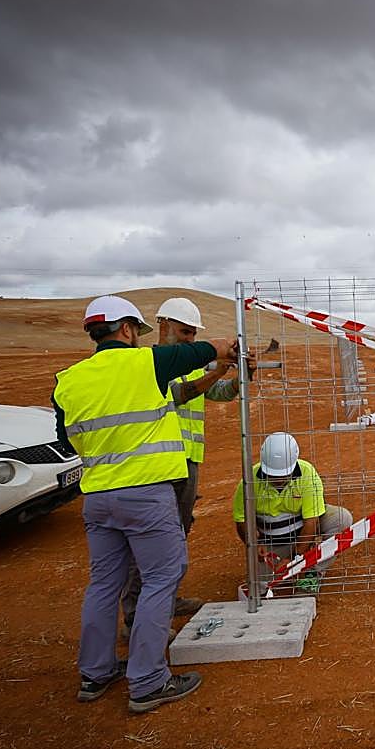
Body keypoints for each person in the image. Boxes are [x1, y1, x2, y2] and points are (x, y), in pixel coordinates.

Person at [53, 295, 237, 714]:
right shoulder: (146, 363)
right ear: (126, 329)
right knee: (160, 579)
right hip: (146, 493)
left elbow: (67, 441)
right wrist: (224, 348)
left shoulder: (67, 380)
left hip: (98, 496)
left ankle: (95, 674)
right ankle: (149, 681)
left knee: (103, 585)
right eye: (136, 330)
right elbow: (198, 352)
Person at [118, 296, 251, 636]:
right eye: (185, 332)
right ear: (163, 326)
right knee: (152, 537)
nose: (191, 339)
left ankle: (166, 599)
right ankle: (136, 614)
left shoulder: (190, 361)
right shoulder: (149, 364)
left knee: (177, 533)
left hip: (187, 460)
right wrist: (215, 369)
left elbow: (218, 393)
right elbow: (181, 393)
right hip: (157, 463)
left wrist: (237, 379)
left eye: (194, 334)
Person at [232, 432, 352, 596]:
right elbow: (242, 521)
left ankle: (311, 573)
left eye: (283, 475)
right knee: (258, 588)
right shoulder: (248, 481)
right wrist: (253, 544)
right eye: (273, 475)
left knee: (341, 518)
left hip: (300, 536)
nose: (278, 479)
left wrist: (296, 557)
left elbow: (311, 521)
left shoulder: (307, 473)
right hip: (270, 545)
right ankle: (274, 568)